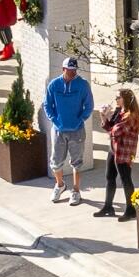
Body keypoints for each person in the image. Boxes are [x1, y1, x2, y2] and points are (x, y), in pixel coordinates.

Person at [41, 53, 94, 203]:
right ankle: (60, 185)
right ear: (63, 69)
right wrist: (54, 120)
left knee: (77, 162)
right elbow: (47, 105)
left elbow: (89, 105)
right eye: (70, 70)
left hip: (77, 130)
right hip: (59, 130)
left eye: (75, 70)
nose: (73, 73)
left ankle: (76, 191)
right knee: (56, 161)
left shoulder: (82, 84)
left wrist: (81, 119)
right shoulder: (54, 85)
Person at [96, 85, 139, 217]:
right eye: (116, 97)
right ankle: (108, 207)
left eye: (118, 97)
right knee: (109, 177)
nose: (116, 99)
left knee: (125, 179)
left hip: (124, 151)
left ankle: (131, 210)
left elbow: (115, 131)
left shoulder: (131, 116)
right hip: (114, 149)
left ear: (126, 99)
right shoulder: (119, 111)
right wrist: (103, 116)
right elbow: (110, 127)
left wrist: (109, 117)